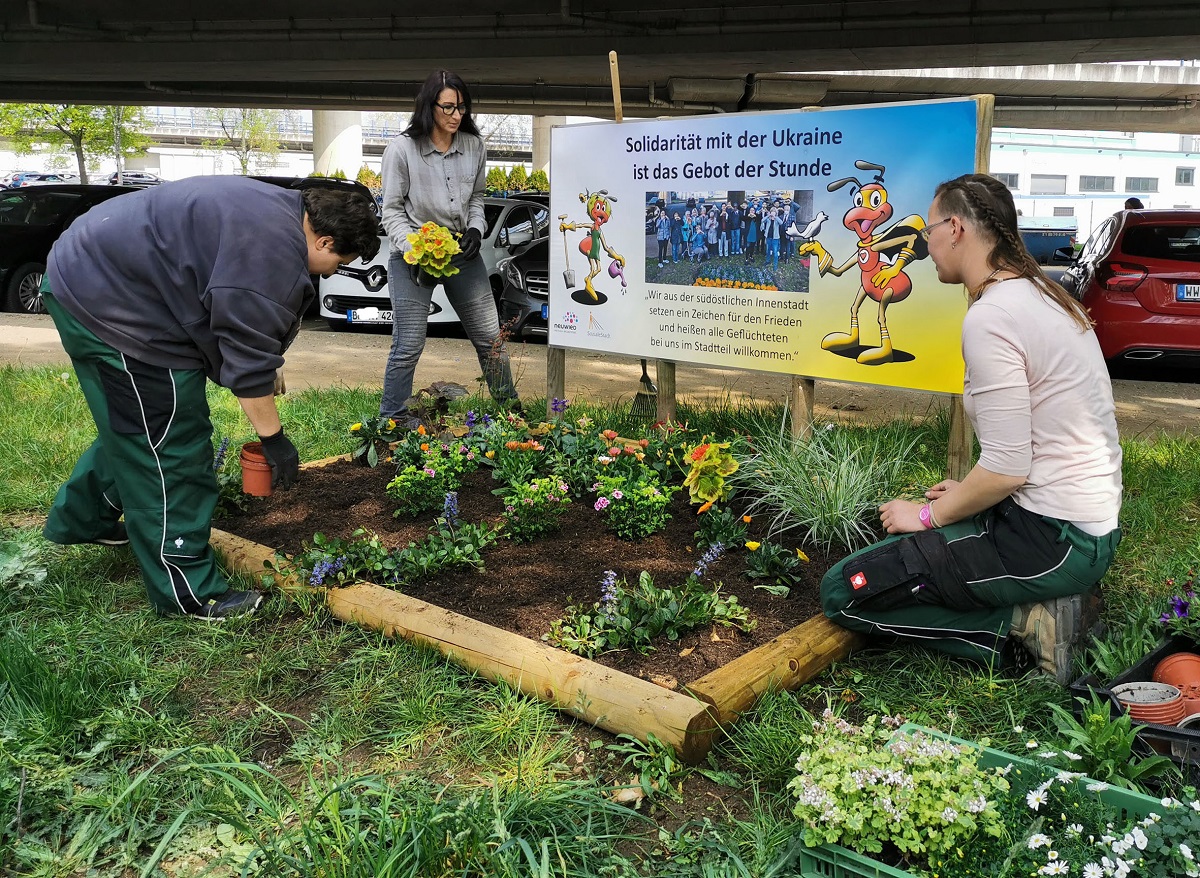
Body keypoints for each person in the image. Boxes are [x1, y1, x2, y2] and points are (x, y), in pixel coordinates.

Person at [820, 173, 1122, 683]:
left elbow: (1006, 468)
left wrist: (928, 514)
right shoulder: (1039, 294)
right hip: (1083, 529)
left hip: (1055, 539)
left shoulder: (993, 315)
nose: (925, 244)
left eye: (930, 229)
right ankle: (1053, 602)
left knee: (844, 590)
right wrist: (970, 494)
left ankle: (1024, 624)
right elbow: (1032, 451)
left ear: (955, 228)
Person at [42, 176, 379, 619]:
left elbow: (241, 323)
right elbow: (244, 361)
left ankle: (85, 519)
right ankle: (189, 592)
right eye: (338, 260)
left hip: (93, 271)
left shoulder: (282, 212)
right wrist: (274, 439)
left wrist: (266, 361)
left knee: (142, 423)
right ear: (323, 237)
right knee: (172, 443)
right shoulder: (271, 253)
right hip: (113, 303)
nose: (334, 272)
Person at [379, 69, 521, 425]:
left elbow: (477, 198)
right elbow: (392, 210)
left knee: (491, 339)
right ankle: (390, 421)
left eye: (462, 108)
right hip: (413, 255)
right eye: (448, 108)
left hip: (461, 251)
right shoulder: (401, 150)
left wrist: (476, 228)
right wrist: (412, 248)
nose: (457, 115)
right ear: (429, 107)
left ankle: (511, 414)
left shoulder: (474, 146)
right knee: (408, 344)